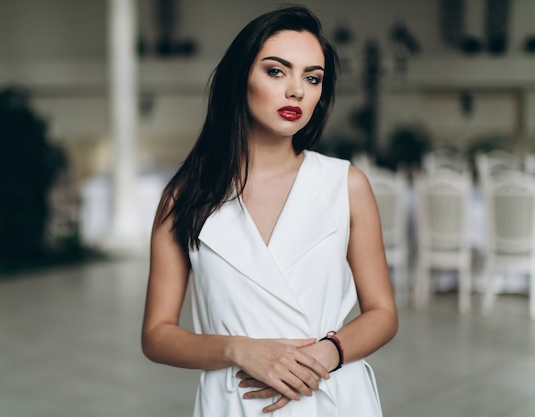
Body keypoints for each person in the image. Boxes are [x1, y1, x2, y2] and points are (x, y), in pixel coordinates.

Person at [141, 5, 398, 416]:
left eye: (312, 78)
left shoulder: (345, 185)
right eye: (277, 71)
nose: (296, 90)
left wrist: (324, 356)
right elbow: (156, 335)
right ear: (240, 77)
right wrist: (238, 349)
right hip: (236, 400)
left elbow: (383, 313)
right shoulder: (185, 197)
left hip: (332, 395)